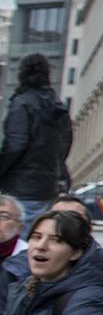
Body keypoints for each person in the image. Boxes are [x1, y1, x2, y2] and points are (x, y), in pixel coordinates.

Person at [0, 54, 72, 220]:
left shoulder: (23, 103)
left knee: (19, 237)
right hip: (48, 186)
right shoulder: (57, 105)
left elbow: (15, 145)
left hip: (21, 185)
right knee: (36, 233)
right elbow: (65, 144)